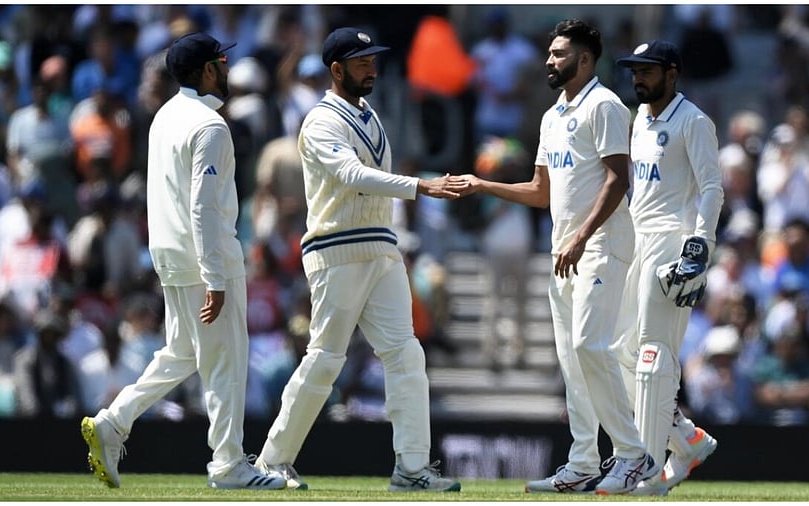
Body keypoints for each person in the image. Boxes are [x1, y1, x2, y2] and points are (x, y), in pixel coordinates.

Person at [250, 27, 464, 493]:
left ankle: (411, 468)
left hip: (381, 246)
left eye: (373, 59)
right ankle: (272, 460)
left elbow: (371, 179)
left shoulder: (369, 113)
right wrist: (419, 185)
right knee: (326, 359)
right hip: (338, 248)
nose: (372, 67)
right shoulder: (321, 120)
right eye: (362, 61)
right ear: (336, 69)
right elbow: (351, 175)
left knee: (406, 353)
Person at [453, 19, 658, 495]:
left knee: (589, 345)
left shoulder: (605, 105)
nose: (549, 60)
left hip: (601, 244)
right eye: (549, 52)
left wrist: (583, 235)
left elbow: (618, 179)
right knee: (571, 359)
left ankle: (631, 453)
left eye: (560, 53)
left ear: (585, 60)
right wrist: (483, 185)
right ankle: (583, 460)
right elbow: (541, 191)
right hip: (564, 249)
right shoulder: (551, 116)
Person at [79, 32, 285, 491]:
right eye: (222, 62)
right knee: (226, 361)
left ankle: (115, 422)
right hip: (204, 258)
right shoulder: (210, 126)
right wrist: (215, 274)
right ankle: (229, 464)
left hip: (171, 257)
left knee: (182, 353)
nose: (228, 68)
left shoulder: (164, 117)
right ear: (208, 70)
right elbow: (202, 206)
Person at [612, 39, 725, 496]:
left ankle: (647, 464)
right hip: (636, 237)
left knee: (654, 353)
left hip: (671, 241)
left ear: (671, 74)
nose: (639, 77)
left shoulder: (693, 121)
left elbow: (712, 188)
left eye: (648, 70)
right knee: (619, 349)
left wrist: (700, 246)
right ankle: (686, 441)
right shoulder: (637, 118)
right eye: (635, 70)